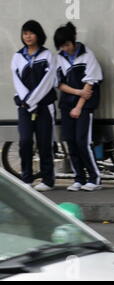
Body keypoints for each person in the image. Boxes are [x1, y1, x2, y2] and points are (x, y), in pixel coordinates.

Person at [54, 22, 103, 192]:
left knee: (83, 141)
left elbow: (91, 83)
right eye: (62, 46)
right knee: (70, 141)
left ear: (73, 41)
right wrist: (78, 92)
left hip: (85, 107)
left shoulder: (87, 55)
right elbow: (59, 83)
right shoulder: (59, 57)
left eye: (67, 44)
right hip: (67, 105)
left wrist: (79, 106)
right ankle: (79, 178)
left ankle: (94, 178)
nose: (65, 48)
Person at [11, 20, 57, 192]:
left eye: (31, 33)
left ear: (38, 34)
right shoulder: (17, 57)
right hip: (24, 107)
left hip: (45, 107)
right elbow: (17, 81)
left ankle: (47, 180)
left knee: (45, 143)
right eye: (25, 33)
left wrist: (33, 100)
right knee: (25, 141)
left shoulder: (47, 56)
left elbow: (47, 82)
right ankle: (27, 179)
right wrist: (28, 102)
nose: (28, 36)